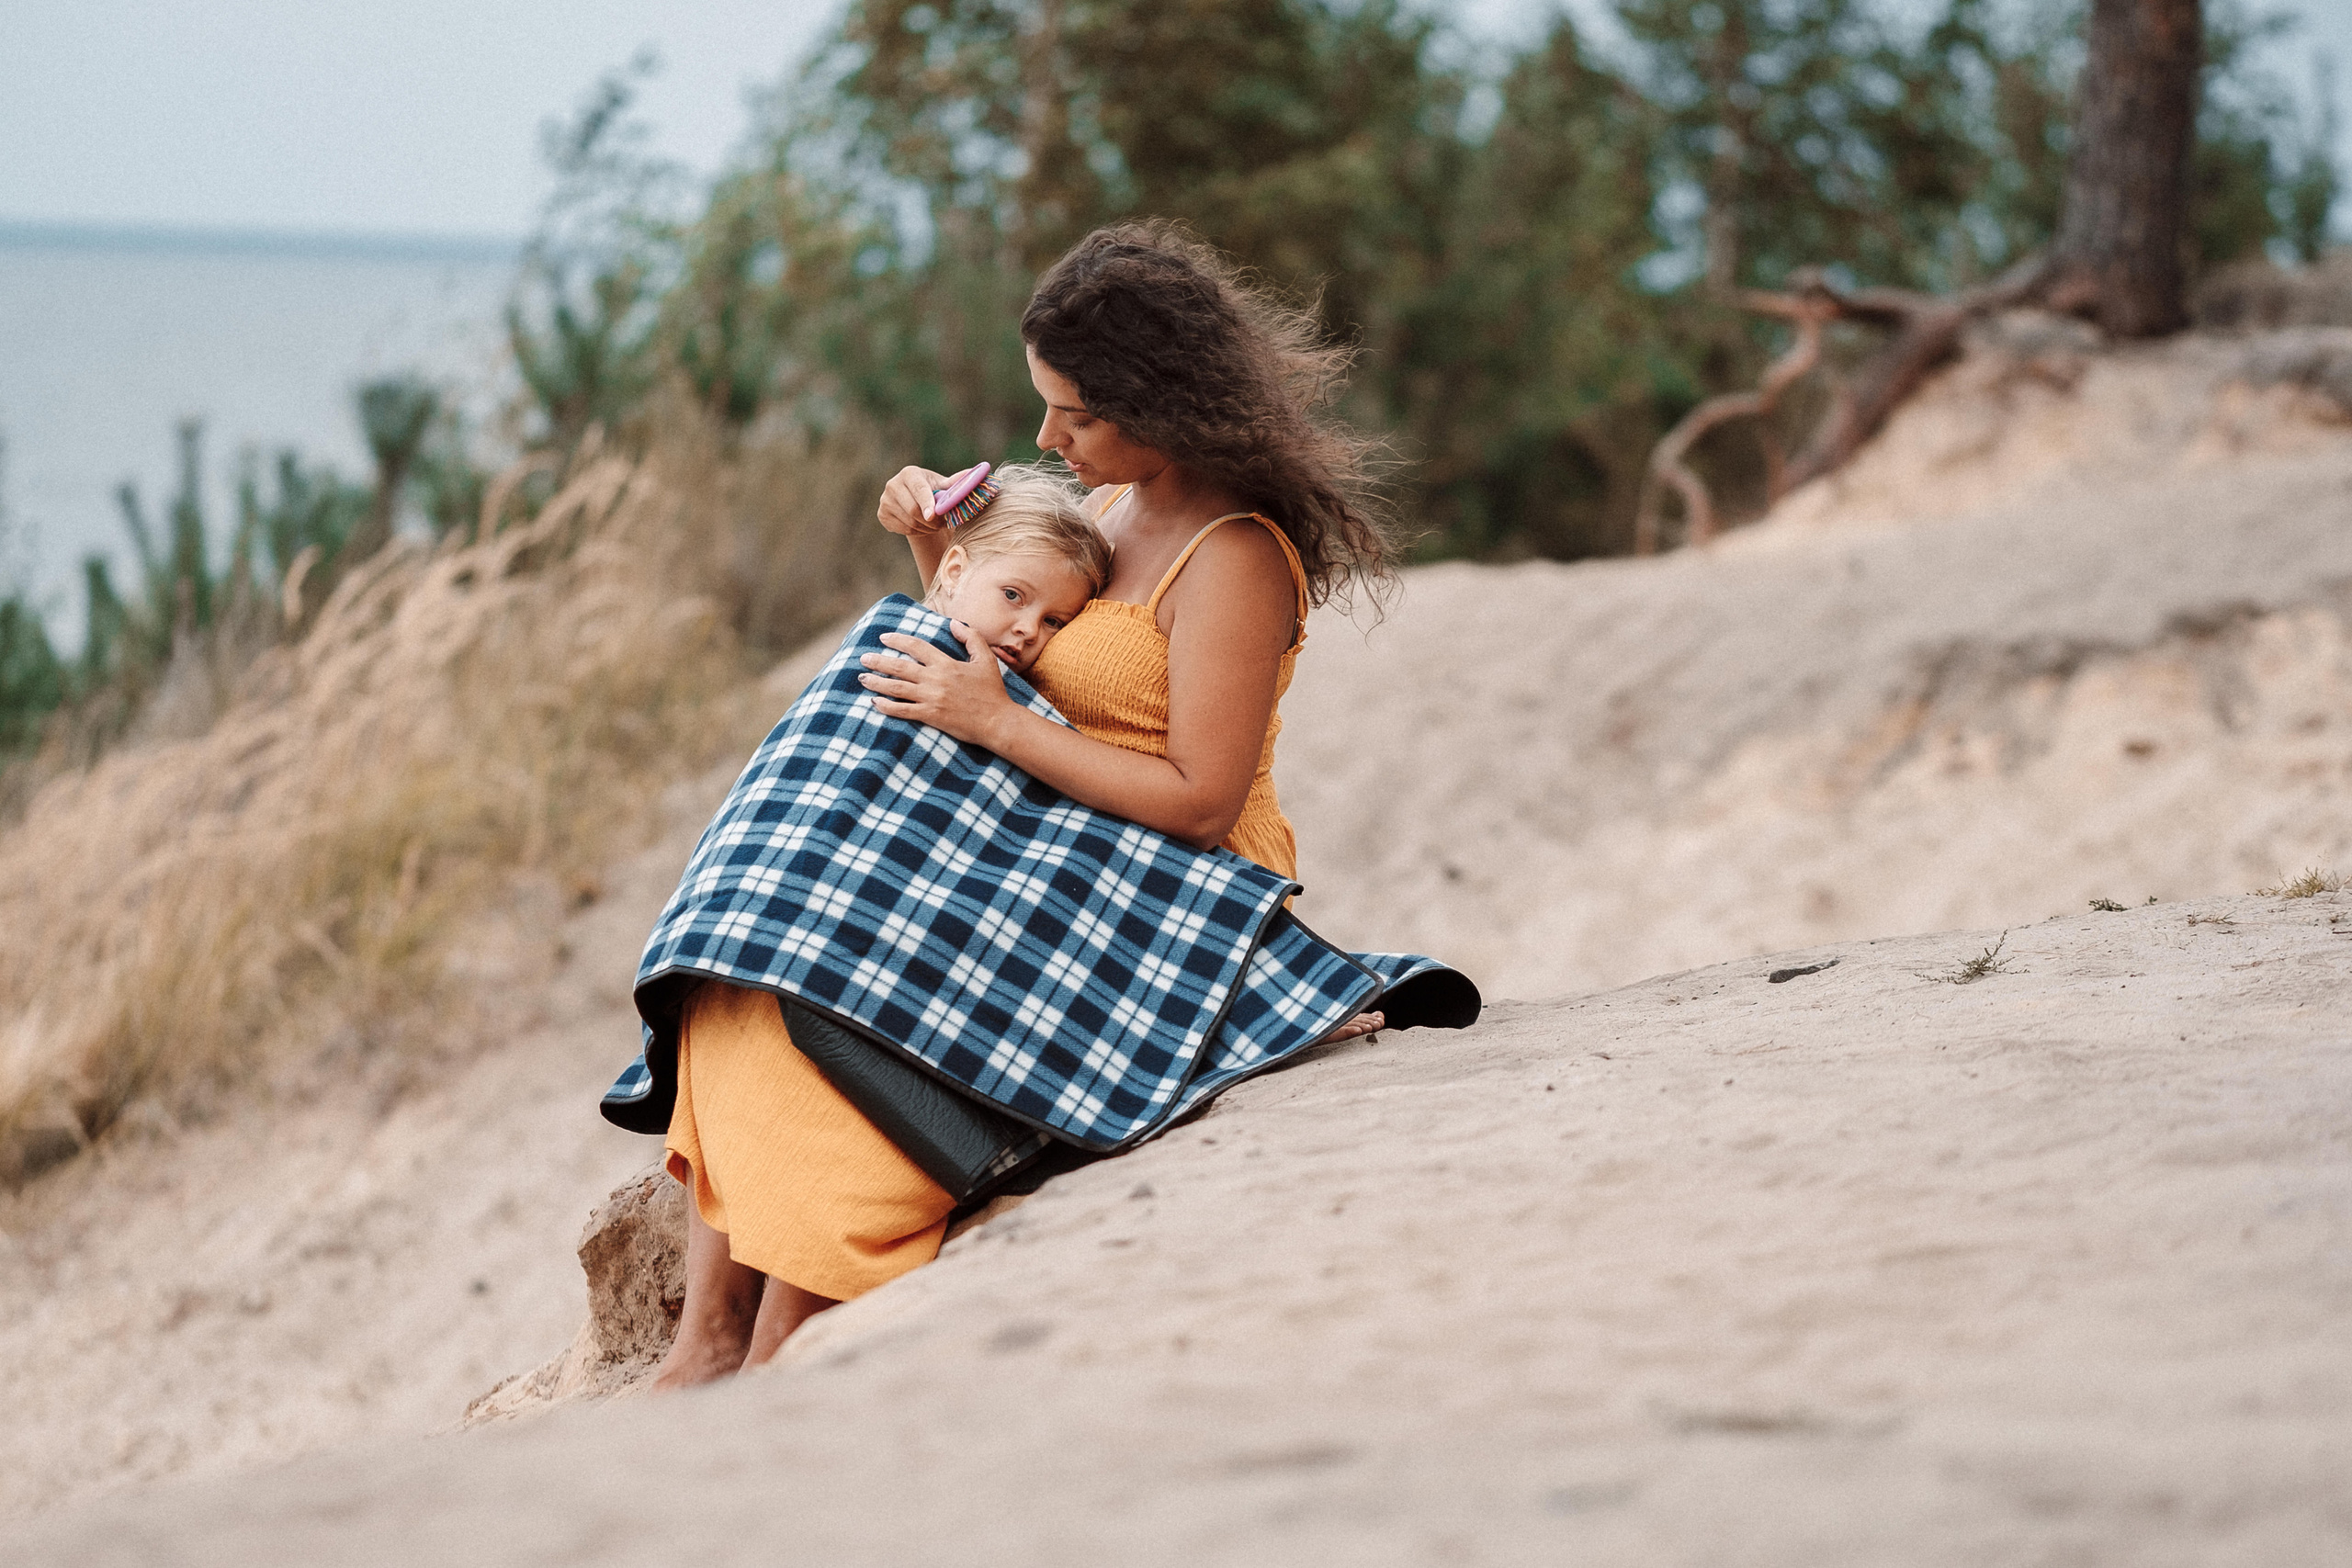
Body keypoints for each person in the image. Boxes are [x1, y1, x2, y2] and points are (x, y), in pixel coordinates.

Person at [650, 222, 1396, 1391]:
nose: (1046, 438)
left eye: (1075, 414)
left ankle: (789, 1321)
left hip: (1160, 881)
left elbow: (1201, 801)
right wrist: (936, 558)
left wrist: (998, 726)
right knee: (762, 946)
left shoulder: (1234, 555)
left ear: (1165, 404)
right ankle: (705, 1338)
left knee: (837, 990)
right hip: (1046, 839)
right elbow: (998, 655)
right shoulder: (1106, 517)